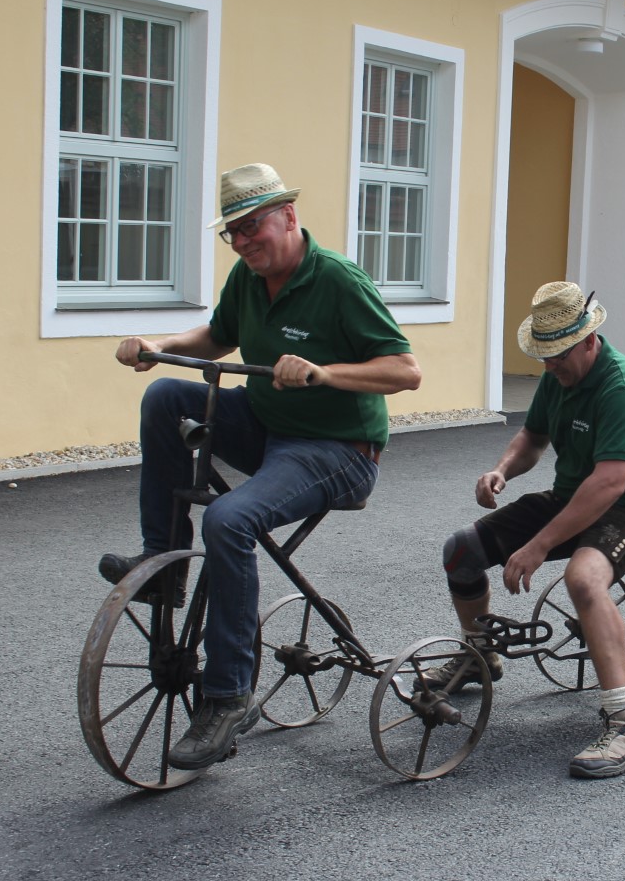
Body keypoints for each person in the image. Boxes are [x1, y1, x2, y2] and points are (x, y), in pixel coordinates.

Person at [100, 163, 421, 769]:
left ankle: (227, 695)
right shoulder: (249, 279)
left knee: (229, 519)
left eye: (254, 227)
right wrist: (154, 347)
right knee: (167, 397)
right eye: (235, 233)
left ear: (289, 217)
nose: (245, 242)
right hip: (271, 426)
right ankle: (164, 563)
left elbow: (405, 371)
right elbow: (216, 340)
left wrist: (324, 372)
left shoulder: (339, 282)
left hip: (338, 449)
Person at [435, 282, 625, 779]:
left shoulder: (623, 387)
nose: (550, 365)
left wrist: (538, 546)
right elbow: (532, 437)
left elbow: (610, 483)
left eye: (558, 355)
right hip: (576, 496)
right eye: (543, 356)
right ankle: (479, 655)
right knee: (461, 549)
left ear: (590, 340)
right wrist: (503, 469)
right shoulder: (558, 375)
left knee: (584, 579)